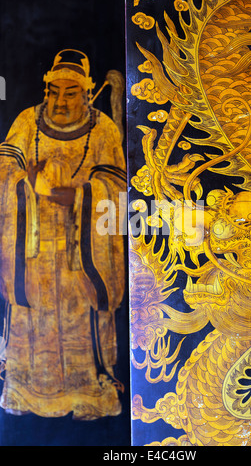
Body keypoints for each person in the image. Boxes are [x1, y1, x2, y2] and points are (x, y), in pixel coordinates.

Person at [0, 49, 126, 420]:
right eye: (54, 91)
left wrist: (83, 198)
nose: (60, 100)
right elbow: (5, 171)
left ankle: (90, 394)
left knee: (83, 320)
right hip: (33, 251)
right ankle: (25, 389)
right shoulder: (26, 122)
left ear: (87, 92)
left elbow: (118, 189)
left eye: (70, 93)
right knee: (32, 317)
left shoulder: (103, 130)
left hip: (82, 255)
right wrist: (25, 181)